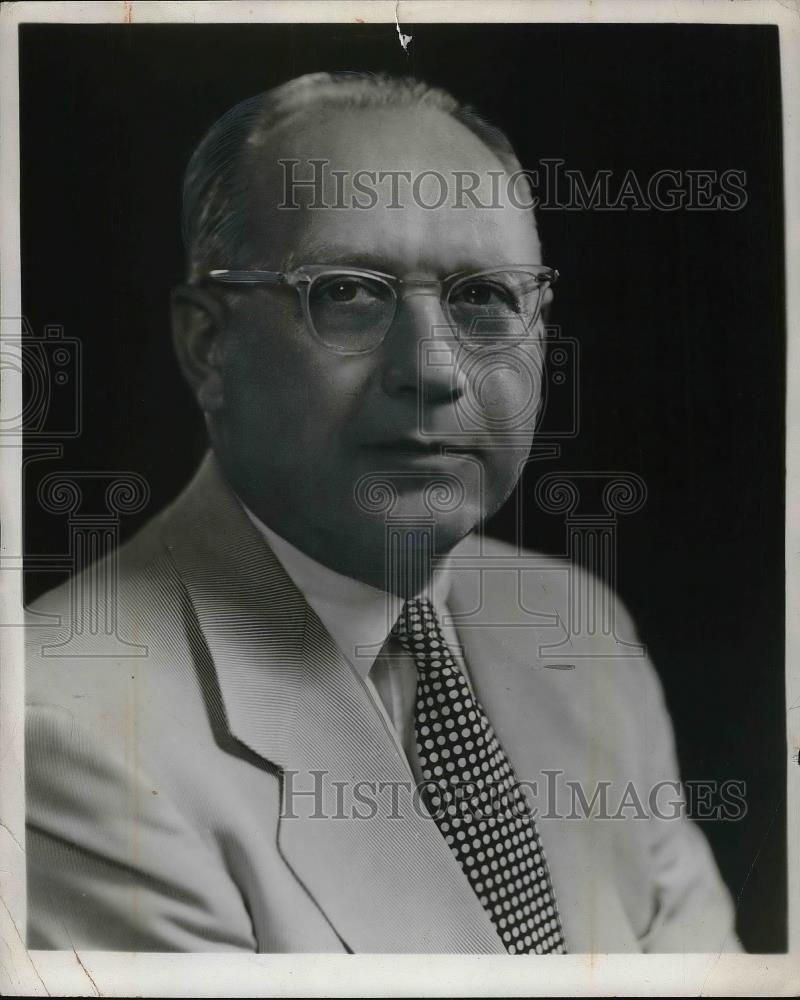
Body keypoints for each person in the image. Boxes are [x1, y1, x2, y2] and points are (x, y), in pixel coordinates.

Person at [25, 72, 740, 953]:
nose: (434, 369)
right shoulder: (63, 728)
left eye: (483, 298)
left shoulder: (579, 627)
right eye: (350, 293)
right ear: (208, 344)